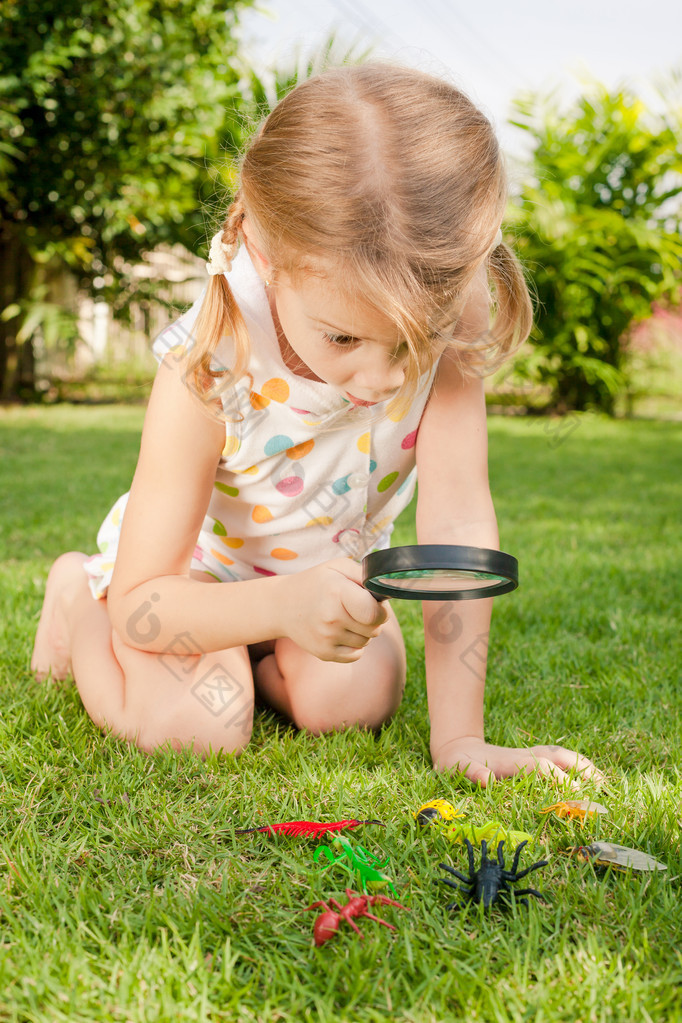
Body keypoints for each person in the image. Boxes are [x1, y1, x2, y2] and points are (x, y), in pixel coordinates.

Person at [31, 63, 601, 787]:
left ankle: (274, 657)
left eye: (413, 341)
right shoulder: (212, 359)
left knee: (352, 700)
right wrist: (273, 604)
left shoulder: (453, 303)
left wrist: (461, 739)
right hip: (191, 584)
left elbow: (457, 520)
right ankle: (78, 594)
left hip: (327, 575)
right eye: (342, 339)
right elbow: (149, 602)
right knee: (200, 724)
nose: (386, 379)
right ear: (269, 264)